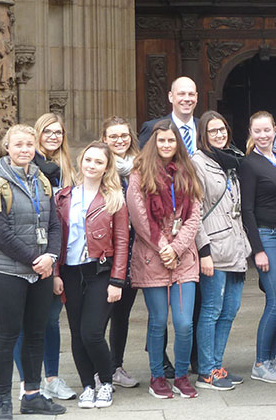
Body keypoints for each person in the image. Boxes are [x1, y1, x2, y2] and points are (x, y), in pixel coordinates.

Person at [0, 124, 67, 420]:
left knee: (36, 334)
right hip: (9, 273)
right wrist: (36, 259)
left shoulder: (42, 181)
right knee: (7, 336)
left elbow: (55, 224)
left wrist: (51, 258)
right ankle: (4, 400)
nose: (24, 150)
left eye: (29, 144)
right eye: (18, 144)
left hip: (41, 272)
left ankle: (32, 394)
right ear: (7, 147)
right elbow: (1, 234)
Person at [126, 118, 203, 400]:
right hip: (151, 257)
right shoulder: (139, 174)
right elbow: (140, 217)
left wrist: (177, 248)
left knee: (184, 323)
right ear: (153, 143)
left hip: (183, 258)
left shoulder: (188, 171)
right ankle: (157, 376)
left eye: (171, 140)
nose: (167, 145)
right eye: (161, 140)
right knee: (158, 321)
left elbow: (194, 215)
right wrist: (163, 247)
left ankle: (181, 375)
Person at [54, 142, 130, 409]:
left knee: (92, 332)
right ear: (80, 161)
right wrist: (55, 274)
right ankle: (87, 385)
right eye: (88, 160)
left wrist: (117, 281)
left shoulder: (114, 199)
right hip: (71, 272)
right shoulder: (63, 197)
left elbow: (122, 242)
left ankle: (106, 383)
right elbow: (55, 239)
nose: (92, 165)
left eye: (98, 162)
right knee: (76, 333)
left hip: (100, 271)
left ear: (106, 167)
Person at [14, 113, 75, 402]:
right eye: (47, 132)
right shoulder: (28, 167)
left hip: (60, 249)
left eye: (59, 132)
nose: (53, 136)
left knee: (50, 319)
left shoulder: (65, 168)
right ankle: (27, 381)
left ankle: (51, 378)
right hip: (32, 252)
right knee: (26, 321)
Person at [192, 111, 251, 391]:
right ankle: (205, 370)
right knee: (212, 309)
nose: (219, 135)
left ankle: (217, 364)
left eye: (222, 130)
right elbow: (194, 211)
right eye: (213, 131)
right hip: (214, 248)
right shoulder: (198, 163)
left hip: (236, 245)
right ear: (203, 135)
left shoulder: (231, 160)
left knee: (231, 309)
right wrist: (203, 251)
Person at [240, 111, 276, 384]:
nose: (262, 135)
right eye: (257, 131)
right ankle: (261, 363)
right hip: (266, 236)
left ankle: (273, 357)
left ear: (275, 130)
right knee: (275, 302)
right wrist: (257, 250)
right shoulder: (250, 164)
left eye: (267, 130)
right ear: (251, 133)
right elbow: (247, 209)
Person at [100, 116, 141, 388]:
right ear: (104, 140)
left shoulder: (140, 167)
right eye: (113, 136)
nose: (119, 140)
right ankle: (98, 367)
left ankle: (116, 365)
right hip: (108, 252)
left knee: (122, 314)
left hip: (136, 248)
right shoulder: (99, 167)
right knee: (100, 312)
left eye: (123, 135)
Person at [138, 77, 200, 154]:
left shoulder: (204, 128)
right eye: (181, 94)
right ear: (171, 97)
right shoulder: (152, 128)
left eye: (191, 94)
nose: (187, 99)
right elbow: (142, 160)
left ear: (196, 97)